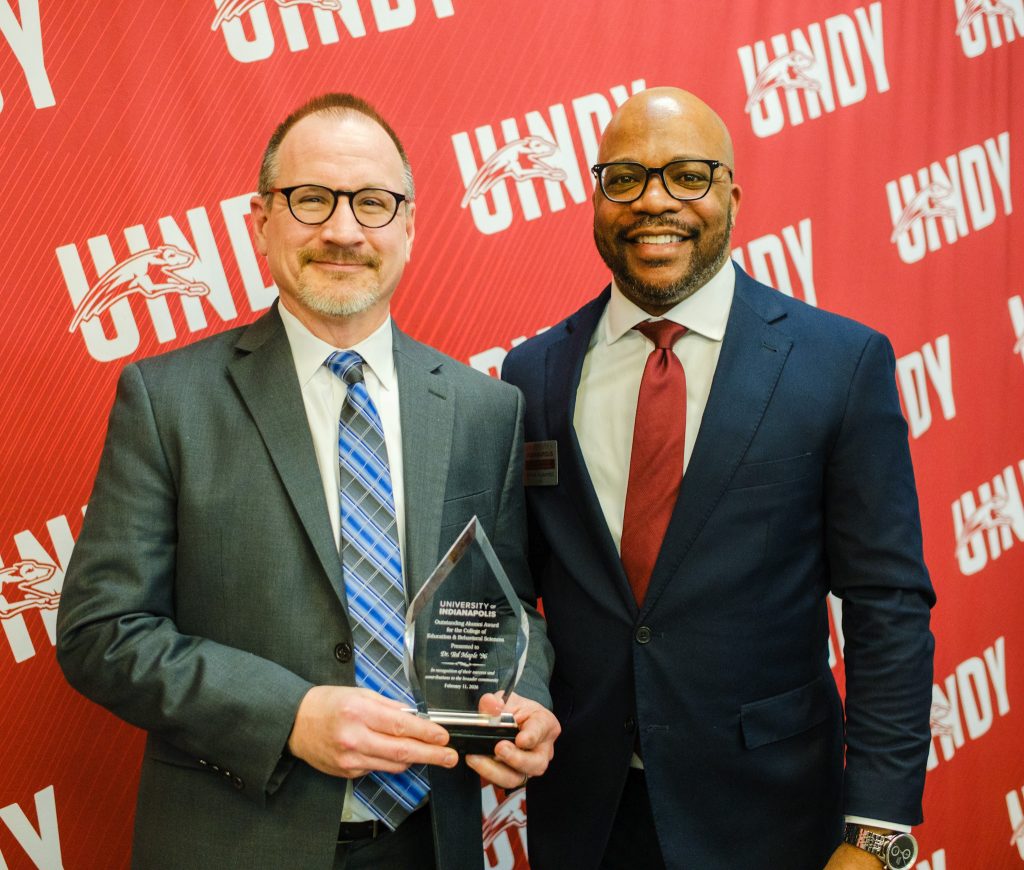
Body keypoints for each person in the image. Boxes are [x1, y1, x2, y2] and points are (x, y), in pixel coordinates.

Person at [57, 93, 558, 870]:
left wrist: (529, 700)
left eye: (373, 202)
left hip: (433, 841)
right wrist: (289, 714)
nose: (344, 230)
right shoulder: (167, 400)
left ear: (409, 227)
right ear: (261, 221)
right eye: (311, 199)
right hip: (237, 842)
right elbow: (102, 631)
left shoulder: (485, 408)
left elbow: (506, 607)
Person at [501, 87, 935, 870]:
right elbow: (517, 591)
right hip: (586, 818)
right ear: (596, 200)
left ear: (732, 196)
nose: (653, 201)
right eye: (624, 178)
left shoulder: (839, 364)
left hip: (772, 815)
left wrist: (876, 831)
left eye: (687, 175)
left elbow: (888, 603)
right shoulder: (534, 373)